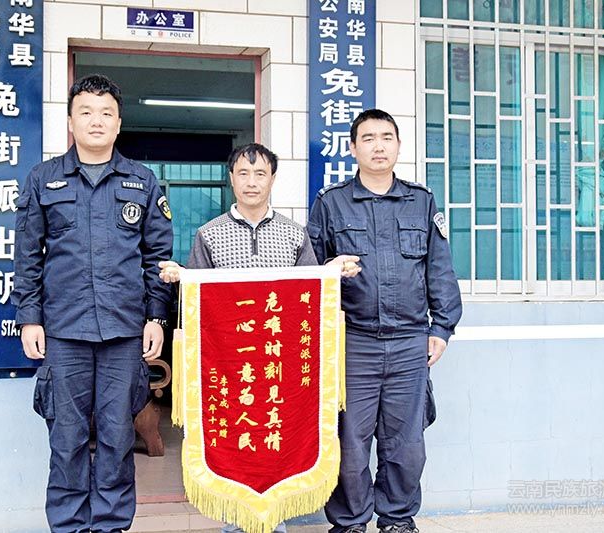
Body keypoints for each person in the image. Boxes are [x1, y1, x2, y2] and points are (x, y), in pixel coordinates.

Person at [159, 143, 359, 533]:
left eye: (260, 174)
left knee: (276, 439)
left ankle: (274, 523)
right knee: (234, 443)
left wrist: (331, 272)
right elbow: (198, 301)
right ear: (231, 179)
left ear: (272, 179)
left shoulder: (294, 234)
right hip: (228, 369)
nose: (252, 182)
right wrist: (182, 277)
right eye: (244, 174)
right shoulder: (209, 234)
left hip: (279, 367)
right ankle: (236, 524)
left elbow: (308, 295)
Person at [12, 74, 173, 533]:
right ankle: (68, 525)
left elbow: (157, 257)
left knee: (119, 437)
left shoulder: (142, 181)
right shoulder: (44, 179)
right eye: (86, 112)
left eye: (106, 113)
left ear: (119, 123)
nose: (96, 121)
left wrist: (156, 317)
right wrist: (29, 318)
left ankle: (110, 525)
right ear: (70, 121)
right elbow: (27, 256)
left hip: (124, 332)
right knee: (67, 437)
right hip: (63, 331)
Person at [307, 109, 462, 533]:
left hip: (410, 341)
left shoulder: (421, 201)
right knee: (350, 441)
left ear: (398, 145)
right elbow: (309, 268)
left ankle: (397, 518)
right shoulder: (331, 202)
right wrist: (329, 271)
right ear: (352, 148)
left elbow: (439, 269)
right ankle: (350, 522)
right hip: (353, 342)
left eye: (386, 137)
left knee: (406, 443)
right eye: (369, 138)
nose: (379, 146)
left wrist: (441, 328)